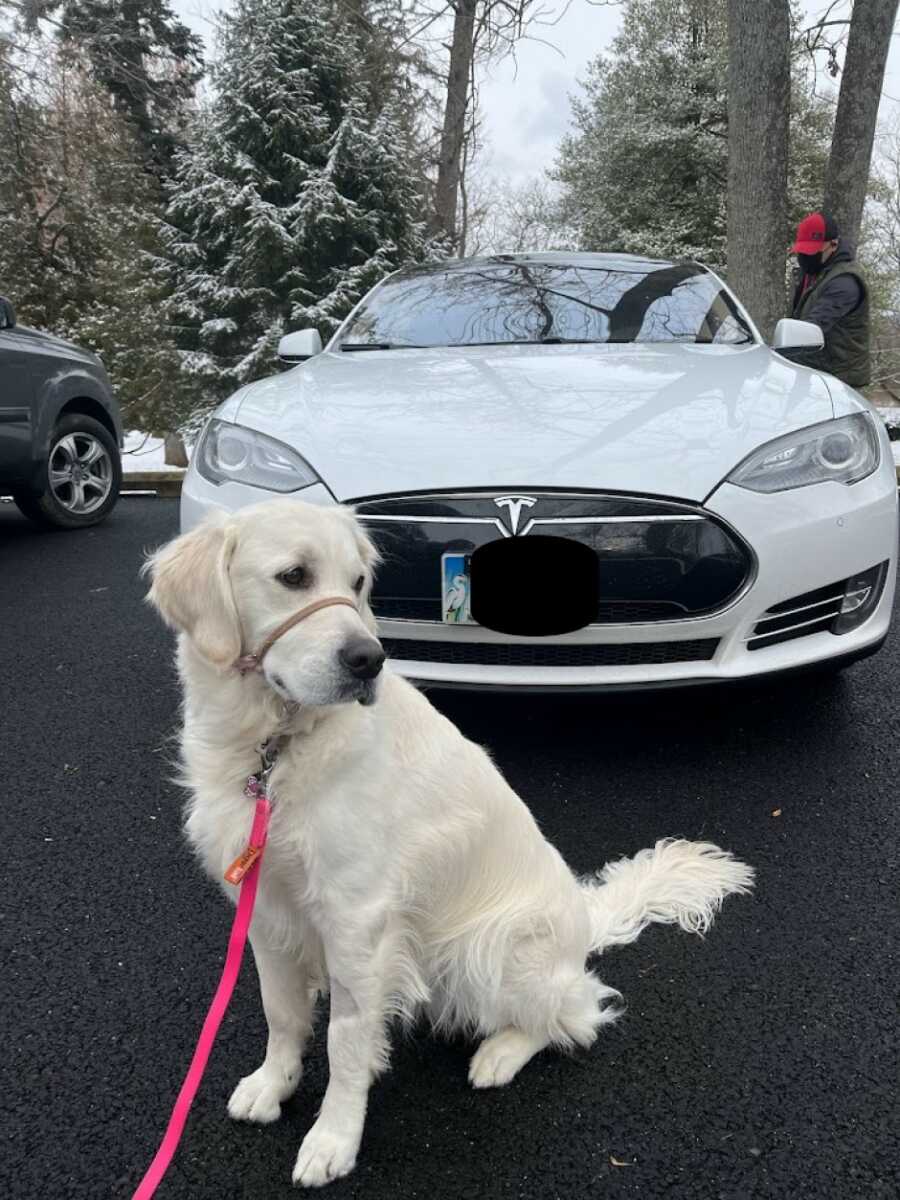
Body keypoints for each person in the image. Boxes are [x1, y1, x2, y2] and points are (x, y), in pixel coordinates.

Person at [786, 211, 870, 388]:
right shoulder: (813, 272)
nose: (805, 257)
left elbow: (811, 328)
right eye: (802, 251)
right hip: (813, 371)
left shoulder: (844, 282)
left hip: (839, 380)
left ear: (833, 245)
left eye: (812, 251)